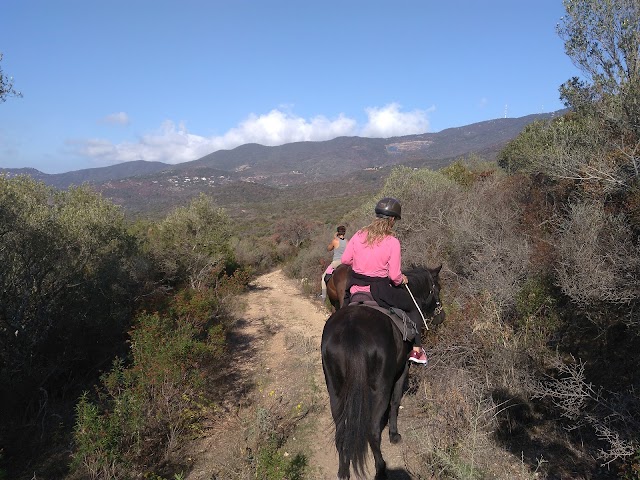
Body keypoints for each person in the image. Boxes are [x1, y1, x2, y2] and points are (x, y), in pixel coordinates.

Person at [340, 197, 428, 364]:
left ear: (376, 215)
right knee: (414, 304)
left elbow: (345, 260)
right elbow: (394, 277)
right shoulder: (392, 242)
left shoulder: (359, 235)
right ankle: (417, 351)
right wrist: (402, 279)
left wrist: (360, 264)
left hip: (355, 286)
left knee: (343, 307)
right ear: (392, 219)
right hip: (379, 290)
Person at [320, 225, 347, 300]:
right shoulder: (347, 241)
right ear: (344, 233)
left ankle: (323, 296)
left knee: (323, 277)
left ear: (338, 232)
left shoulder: (335, 241)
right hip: (345, 262)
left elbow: (329, 248)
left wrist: (334, 237)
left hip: (336, 262)